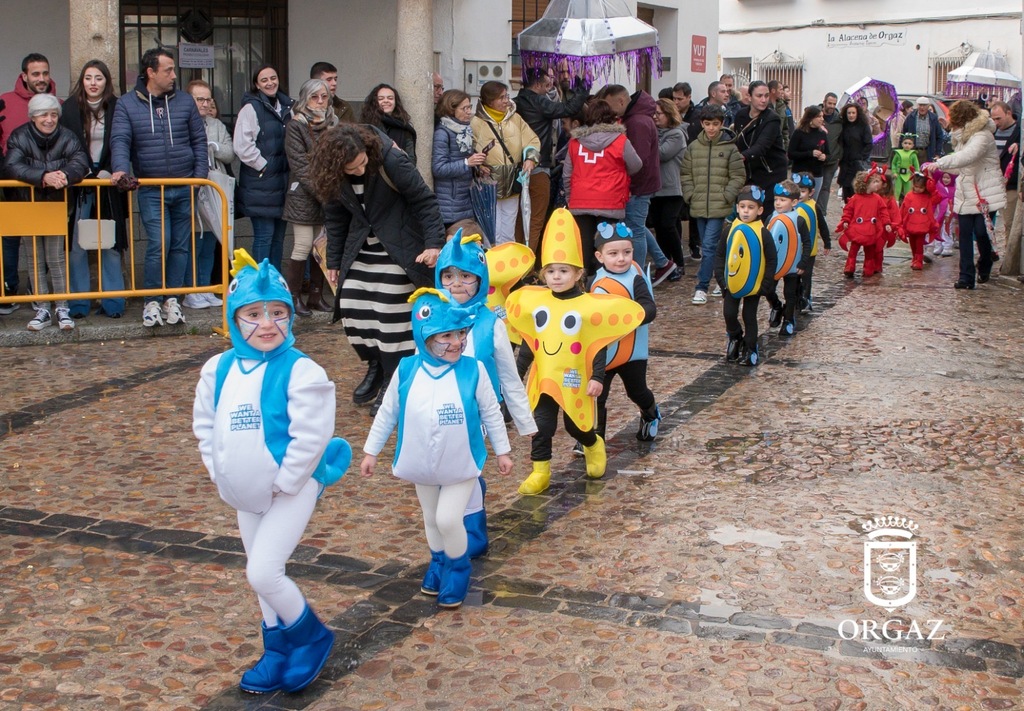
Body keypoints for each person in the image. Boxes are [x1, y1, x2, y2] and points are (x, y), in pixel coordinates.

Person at [192, 250, 350, 695]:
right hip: (243, 491)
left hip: (290, 489)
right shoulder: (218, 369)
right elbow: (206, 425)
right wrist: (217, 470)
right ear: (233, 318)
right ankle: (276, 648)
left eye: (277, 313)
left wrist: (288, 481)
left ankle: (311, 637)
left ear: (290, 316)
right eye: (253, 314)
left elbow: (313, 433)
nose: (266, 324)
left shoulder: (302, 370)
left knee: (264, 571)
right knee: (257, 572)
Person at [361, 287, 512, 608]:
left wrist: (502, 450)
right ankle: (438, 561)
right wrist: (371, 451)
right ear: (424, 337)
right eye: (445, 336)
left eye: (460, 333)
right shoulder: (407, 370)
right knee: (431, 518)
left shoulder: (474, 370)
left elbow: (491, 412)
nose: (456, 342)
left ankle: (458, 567)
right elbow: (389, 412)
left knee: (447, 519)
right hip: (421, 463)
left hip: (462, 463)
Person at [506, 210, 644, 495]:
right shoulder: (536, 304)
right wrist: (517, 375)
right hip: (544, 379)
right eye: (551, 271)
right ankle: (539, 470)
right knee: (541, 425)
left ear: (578, 273)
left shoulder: (587, 307)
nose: (557, 277)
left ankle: (592, 444)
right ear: (543, 274)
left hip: (574, 379)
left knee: (575, 426)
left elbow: (597, 344)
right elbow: (531, 344)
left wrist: (597, 377)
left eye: (564, 270)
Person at [310, 124, 445, 414]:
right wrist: (333, 260)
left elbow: (425, 200)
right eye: (352, 168)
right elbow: (335, 217)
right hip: (361, 246)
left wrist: (434, 244)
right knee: (352, 307)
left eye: (362, 162)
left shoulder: (390, 160)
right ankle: (376, 363)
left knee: (390, 311)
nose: (360, 170)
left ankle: (392, 376)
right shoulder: (333, 176)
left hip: (400, 246)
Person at [434, 233, 535, 558]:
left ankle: (473, 529)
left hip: (476, 412)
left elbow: (508, 375)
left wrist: (524, 422)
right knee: (443, 470)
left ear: (481, 279)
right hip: (436, 410)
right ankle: (449, 520)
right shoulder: (431, 315)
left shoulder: (492, 323)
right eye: (448, 275)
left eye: (465, 276)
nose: (456, 284)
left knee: (465, 467)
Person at [110, 47, 209, 327]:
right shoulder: (127, 104)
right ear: (150, 72)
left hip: (185, 184)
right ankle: (152, 300)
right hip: (152, 187)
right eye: (168, 70)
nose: (174, 75)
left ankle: (173, 299)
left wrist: (198, 178)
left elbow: (198, 142)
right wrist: (120, 169)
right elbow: (120, 140)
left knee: (180, 245)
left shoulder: (185, 102)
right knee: (158, 243)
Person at [3, 93, 90, 331]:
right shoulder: (20, 136)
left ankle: (62, 307)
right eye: (43, 114)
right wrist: (42, 177)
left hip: (57, 204)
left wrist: (65, 174)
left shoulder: (67, 136)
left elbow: (80, 161)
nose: (49, 119)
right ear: (33, 117)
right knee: (34, 258)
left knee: (56, 257)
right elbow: (11, 165)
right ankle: (42, 308)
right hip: (29, 205)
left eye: (53, 114)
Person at [60, 59, 127, 319]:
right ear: (82, 81)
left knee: (109, 243)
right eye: (88, 78)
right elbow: (66, 143)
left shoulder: (117, 107)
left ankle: (114, 303)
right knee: (77, 245)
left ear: (106, 81)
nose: (93, 83)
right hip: (80, 184)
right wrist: (81, 169)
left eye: (98, 78)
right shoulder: (69, 108)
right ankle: (78, 303)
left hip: (109, 183)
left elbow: (123, 141)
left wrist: (111, 169)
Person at [590, 222, 661, 442]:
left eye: (627, 252)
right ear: (600, 257)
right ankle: (594, 440)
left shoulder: (635, 279)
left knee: (636, 391)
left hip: (632, 353)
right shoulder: (596, 280)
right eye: (613, 253)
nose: (621, 258)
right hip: (604, 351)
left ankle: (650, 412)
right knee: (597, 395)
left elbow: (649, 309)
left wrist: (630, 315)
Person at [925, 100, 1007, 289]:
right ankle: (966, 277)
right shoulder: (962, 137)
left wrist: (942, 163)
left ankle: (985, 261)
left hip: (984, 192)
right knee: (964, 235)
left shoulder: (983, 136)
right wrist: (938, 168)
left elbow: (969, 156)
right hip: (966, 193)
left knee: (981, 231)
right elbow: (961, 167)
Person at [1, 52, 59, 313]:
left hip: (49, 187)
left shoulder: (58, 103)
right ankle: (10, 289)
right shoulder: (4, 102)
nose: (41, 78)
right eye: (35, 74)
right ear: (24, 76)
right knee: (11, 240)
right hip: (12, 184)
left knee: (48, 243)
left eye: (45, 73)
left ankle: (38, 292)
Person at [561, 98, 642, 274]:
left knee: (584, 247)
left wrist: (571, 198)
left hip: (580, 201)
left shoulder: (575, 143)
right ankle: (606, 282)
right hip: (611, 200)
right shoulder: (620, 141)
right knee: (608, 246)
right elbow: (636, 165)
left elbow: (567, 174)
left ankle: (583, 283)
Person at [513, 67, 588, 250]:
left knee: (518, 219)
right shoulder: (538, 101)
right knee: (536, 218)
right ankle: (529, 265)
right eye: (547, 82)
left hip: (516, 166)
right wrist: (582, 84)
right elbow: (569, 108)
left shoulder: (516, 101)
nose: (549, 86)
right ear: (537, 84)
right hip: (538, 166)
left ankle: (517, 259)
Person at [282, 78, 338, 317]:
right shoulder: (296, 125)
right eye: (315, 97)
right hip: (304, 193)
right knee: (304, 244)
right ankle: (293, 297)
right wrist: (324, 191)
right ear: (305, 98)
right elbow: (301, 165)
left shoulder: (332, 123)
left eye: (324, 96)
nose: (320, 102)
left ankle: (316, 295)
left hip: (327, 193)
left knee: (321, 245)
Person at [680, 104, 745, 305]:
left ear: (721, 124)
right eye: (707, 124)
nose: (711, 128)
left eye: (715, 124)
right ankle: (722, 278)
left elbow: (738, 175)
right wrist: (690, 194)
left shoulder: (729, 148)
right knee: (712, 246)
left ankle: (701, 287)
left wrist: (727, 195)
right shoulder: (693, 148)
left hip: (719, 206)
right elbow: (686, 174)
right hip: (699, 205)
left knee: (708, 246)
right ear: (702, 124)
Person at [234, 64, 293, 269]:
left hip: (283, 183)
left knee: (278, 240)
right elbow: (242, 146)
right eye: (264, 80)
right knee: (264, 238)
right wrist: (264, 166)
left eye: (273, 77)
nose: (270, 83)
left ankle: (274, 283)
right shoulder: (251, 108)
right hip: (262, 184)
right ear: (256, 84)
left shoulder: (287, 107)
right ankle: (261, 284)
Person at [596, 84, 662, 268]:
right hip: (638, 185)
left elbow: (637, 160)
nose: (608, 110)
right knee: (636, 227)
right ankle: (660, 263)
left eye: (609, 105)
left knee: (636, 231)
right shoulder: (634, 118)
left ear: (621, 101)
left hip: (637, 186)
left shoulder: (636, 122)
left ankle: (636, 274)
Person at [182, 79, 234, 310]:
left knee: (211, 240)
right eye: (199, 99)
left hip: (215, 188)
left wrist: (214, 146)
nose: (204, 104)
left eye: (208, 99)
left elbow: (230, 152)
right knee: (194, 241)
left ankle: (206, 288)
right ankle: (192, 290)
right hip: (192, 187)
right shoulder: (181, 122)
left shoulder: (216, 125)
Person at [470, 80, 540, 244]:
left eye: (506, 96)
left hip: (512, 182)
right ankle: (492, 266)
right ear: (489, 100)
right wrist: (478, 166)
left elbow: (532, 140)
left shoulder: (516, 119)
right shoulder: (476, 123)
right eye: (501, 98)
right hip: (487, 185)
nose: (506, 101)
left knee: (509, 232)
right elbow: (468, 150)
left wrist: (530, 159)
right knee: (490, 231)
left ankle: (508, 266)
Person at [714, 185, 777, 366]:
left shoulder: (763, 233)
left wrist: (766, 285)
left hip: (754, 285)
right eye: (742, 207)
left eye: (751, 207)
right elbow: (720, 255)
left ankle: (750, 348)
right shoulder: (729, 230)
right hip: (732, 283)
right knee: (729, 314)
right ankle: (735, 337)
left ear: (760, 210)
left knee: (749, 316)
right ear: (737, 208)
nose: (746, 211)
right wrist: (721, 279)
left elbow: (772, 259)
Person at [432, 89, 488, 229]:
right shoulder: (442, 133)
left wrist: (477, 167)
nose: (469, 112)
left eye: (470, 107)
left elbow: (463, 159)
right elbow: (438, 168)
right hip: (450, 203)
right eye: (465, 108)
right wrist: (467, 163)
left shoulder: (464, 131)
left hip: (464, 199)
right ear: (451, 110)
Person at [763, 180, 812, 336]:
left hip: (793, 264)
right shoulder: (771, 217)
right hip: (774, 264)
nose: (778, 203)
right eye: (776, 199)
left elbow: (807, 242)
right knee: (768, 289)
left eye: (782, 200)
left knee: (790, 294)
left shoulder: (799, 220)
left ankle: (789, 319)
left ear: (794, 202)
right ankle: (776, 306)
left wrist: (803, 262)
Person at [648, 98, 686, 281]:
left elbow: (661, 154)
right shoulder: (655, 133)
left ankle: (679, 262)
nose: (655, 117)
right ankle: (666, 263)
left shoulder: (676, 134)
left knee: (668, 225)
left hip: (672, 188)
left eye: (659, 113)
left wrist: (646, 139)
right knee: (659, 228)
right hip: (656, 189)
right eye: (653, 113)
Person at [733, 81, 788, 197]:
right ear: (749, 96)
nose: (764, 100)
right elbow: (737, 142)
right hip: (749, 173)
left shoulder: (772, 118)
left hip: (771, 173)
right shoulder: (741, 115)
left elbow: (761, 147)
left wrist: (739, 157)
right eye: (759, 96)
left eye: (766, 96)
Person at [836, 169, 891, 278]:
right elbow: (848, 210)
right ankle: (850, 267)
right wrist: (846, 221)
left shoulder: (877, 198)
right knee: (853, 250)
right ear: (866, 184)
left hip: (871, 230)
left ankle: (868, 269)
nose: (877, 184)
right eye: (874, 182)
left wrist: (887, 223)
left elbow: (883, 212)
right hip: (858, 229)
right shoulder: (855, 198)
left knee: (870, 251)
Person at [792, 172, 831, 312]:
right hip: (794, 250)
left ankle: (805, 298)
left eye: (802, 191)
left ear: (811, 192)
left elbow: (822, 225)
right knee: (794, 277)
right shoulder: (790, 207)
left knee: (806, 276)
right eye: (797, 191)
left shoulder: (814, 206)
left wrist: (827, 242)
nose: (799, 194)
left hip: (809, 251)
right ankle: (795, 300)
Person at [361, 83, 416, 164]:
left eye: (390, 98)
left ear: (395, 102)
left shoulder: (405, 128)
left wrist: (398, 152)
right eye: (381, 99)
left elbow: (411, 161)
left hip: (399, 172)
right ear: (374, 102)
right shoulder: (366, 127)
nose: (386, 101)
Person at [989, 101, 1020, 236]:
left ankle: (1009, 255)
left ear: (1008, 113)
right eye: (993, 119)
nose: (996, 122)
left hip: (1011, 185)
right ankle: (990, 252)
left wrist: (1019, 144)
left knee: (1010, 224)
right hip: (992, 182)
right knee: (986, 222)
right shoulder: (991, 131)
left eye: (998, 118)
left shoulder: (1020, 130)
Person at [787, 105, 829, 200]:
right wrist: (810, 153)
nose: (822, 119)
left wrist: (824, 157)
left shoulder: (822, 133)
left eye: (822, 116)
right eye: (819, 116)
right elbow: (791, 154)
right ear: (811, 118)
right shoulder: (799, 133)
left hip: (817, 174)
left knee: (812, 202)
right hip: (799, 174)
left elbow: (828, 154)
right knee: (796, 201)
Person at [900, 172, 939, 270]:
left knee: (919, 244)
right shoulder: (909, 195)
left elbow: (937, 198)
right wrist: (900, 223)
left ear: (925, 187)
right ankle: (914, 258)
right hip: (911, 224)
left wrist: (932, 186)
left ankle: (919, 260)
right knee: (912, 243)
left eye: (920, 187)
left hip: (922, 225)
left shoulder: (927, 197)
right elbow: (903, 209)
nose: (918, 189)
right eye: (916, 186)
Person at [837, 103, 873, 204]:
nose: (851, 115)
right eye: (849, 113)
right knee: (846, 190)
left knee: (856, 190)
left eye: (853, 113)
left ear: (857, 114)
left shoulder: (863, 126)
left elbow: (869, 144)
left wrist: (861, 158)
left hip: (857, 164)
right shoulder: (843, 126)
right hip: (845, 164)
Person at [818, 92, 844, 217]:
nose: (832, 106)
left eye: (834, 104)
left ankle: (821, 214)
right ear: (824, 102)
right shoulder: (815, 116)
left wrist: (838, 156)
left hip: (832, 160)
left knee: (825, 187)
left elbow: (842, 140)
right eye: (830, 103)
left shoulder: (839, 120)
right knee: (813, 187)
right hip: (815, 159)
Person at [688, 80, 731, 146]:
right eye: (723, 92)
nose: (727, 95)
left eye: (727, 92)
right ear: (713, 94)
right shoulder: (698, 112)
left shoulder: (729, 111)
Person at [903, 97, 944, 165]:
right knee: (912, 173)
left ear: (928, 106)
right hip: (912, 151)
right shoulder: (911, 117)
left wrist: (938, 153)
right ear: (917, 106)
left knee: (926, 173)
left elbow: (939, 136)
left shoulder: (933, 118)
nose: (922, 107)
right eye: (920, 105)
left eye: (924, 105)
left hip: (927, 152)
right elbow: (904, 134)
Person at [890, 134, 920, 203]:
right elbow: (893, 163)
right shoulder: (898, 153)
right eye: (905, 143)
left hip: (908, 175)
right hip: (898, 175)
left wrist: (916, 173)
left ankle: (907, 203)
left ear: (912, 145)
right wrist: (894, 172)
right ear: (902, 144)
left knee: (908, 191)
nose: (907, 145)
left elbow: (916, 165)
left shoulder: (913, 154)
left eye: (909, 144)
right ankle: (895, 204)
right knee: (897, 190)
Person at [767, 80, 790, 151]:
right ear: (773, 90)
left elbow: (785, 129)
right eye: (780, 89)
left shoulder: (782, 106)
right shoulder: (764, 105)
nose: (782, 92)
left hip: (779, 146)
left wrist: (786, 146)